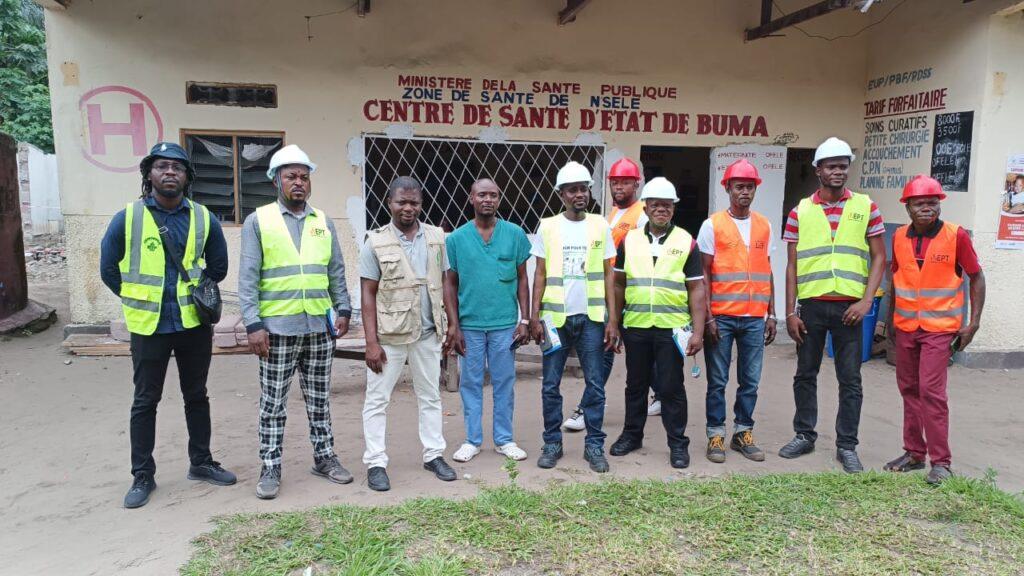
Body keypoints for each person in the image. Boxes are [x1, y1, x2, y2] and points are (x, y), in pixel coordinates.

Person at [100, 142, 235, 509]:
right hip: (149, 327)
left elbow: (218, 268)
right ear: (149, 174)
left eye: (177, 167)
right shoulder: (127, 217)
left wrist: (196, 292)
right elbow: (108, 269)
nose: (170, 172)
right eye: (162, 167)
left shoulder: (204, 218)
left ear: (187, 177)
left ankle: (201, 462)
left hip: (193, 324)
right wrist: (134, 297)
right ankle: (142, 474)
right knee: (145, 401)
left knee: (197, 395)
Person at [240, 144, 354, 500]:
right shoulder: (259, 221)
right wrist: (253, 324)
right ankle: (270, 466)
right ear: (276, 180)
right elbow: (247, 277)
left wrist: (345, 309)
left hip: (319, 328)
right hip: (276, 331)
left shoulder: (324, 222)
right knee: (273, 403)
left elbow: (336, 270)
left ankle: (324, 457)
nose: (299, 183)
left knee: (319, 399)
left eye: (304, 177)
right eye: (291, 176)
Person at [779, 137, 887, 474]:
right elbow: (792, 265)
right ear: (818, 170)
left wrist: (867, 300)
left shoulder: (866, 207)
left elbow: (880, 256)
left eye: (843, 165)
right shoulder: (801, 211)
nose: (838, 171)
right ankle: (804, 434)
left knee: (850, 379)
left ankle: (847, 445)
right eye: (831, 166)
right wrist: (790, 312)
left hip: (850, 309)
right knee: (805, 374)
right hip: (812, 306)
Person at [883, 175, 985, 485]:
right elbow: (897, 281)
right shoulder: (899, 237)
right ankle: (914, 453)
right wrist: (889, 321)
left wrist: (974, 322)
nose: (926, 208)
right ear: (908, 208)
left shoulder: (956, 236)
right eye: (919, 203)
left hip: (939, 329)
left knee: (931, 393)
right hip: (906, 328)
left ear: (939, 205)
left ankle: (941, 462)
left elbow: (976, 277)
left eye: (932, 202)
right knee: (909, 390)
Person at [360, 176, 460, 492]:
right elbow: (368, 294)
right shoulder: (375, 242)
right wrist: (371, 342)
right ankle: (376, 462)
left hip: (428, 333)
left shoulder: (436, 237)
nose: (408, 208)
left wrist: (452, 324)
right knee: (377, 399)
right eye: (401, 202)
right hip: (390, 337)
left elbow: (446, 282)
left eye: (414, 202)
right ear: (389, 203)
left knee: (430, 396)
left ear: (421, 204)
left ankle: (434, 455)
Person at [608, 177, 706, 469]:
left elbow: (696, 289)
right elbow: (618, 284)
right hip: (636, 325)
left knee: (671, 387)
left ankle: (678, 443)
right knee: (634, 384)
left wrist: (697, 332)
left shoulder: (686, 241)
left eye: (667, 205)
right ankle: (632, 435)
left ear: (673, 209)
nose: (661, 210)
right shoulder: (630, 240)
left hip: (671, 327)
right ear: (646, 207)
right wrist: (614, 323)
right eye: (655, 205)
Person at [530, 161, 620, 473]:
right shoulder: (548, 226)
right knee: (550, 385)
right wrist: (533, 316)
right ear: (561, 194)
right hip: (555, 319)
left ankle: (594, 445)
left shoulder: (600, 225)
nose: (579, 194)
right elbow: (539, 273)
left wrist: (612, 319)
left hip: (593, 318)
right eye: (573, 189)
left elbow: (609, 275)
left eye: (583, 188)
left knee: (595, 383)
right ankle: (552, 443)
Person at [445, 178, 532, 463]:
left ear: (499, 199)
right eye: (482, 194)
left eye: (493, 195)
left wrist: (525, 319)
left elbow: (522, 278)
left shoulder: (515, 234)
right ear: (471, 198)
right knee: (470, 382)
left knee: (504, 381)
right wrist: (453, 325)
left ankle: (504, 439)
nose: (488, 200)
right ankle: (472, 440)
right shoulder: (456, 239)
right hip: (469, 325)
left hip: (504, 323)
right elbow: (450, 284)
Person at [563, 156, 651, 431]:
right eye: (615, 182)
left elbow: (643, 260)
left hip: (624, 295)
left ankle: (586, 407)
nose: (619, 187)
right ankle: (658, 392)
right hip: (605, 292)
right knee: (613, 350)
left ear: (636, 184)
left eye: (625, 182)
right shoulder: (612, 215)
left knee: (606, 351)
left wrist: (624, 305)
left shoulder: (642, 216)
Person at [698, 159, 776, 464]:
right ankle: (715, 434)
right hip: (723, 317)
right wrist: (708, 317)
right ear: (728, 188)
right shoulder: (712, 225)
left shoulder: (764, 225)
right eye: (739, 186)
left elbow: (767, 269)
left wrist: (772, 314)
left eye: (750, 186)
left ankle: (743, 432)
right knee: (717, 380)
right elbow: (703, 274)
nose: (745, 192)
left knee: (750, 380)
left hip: (755, 317)